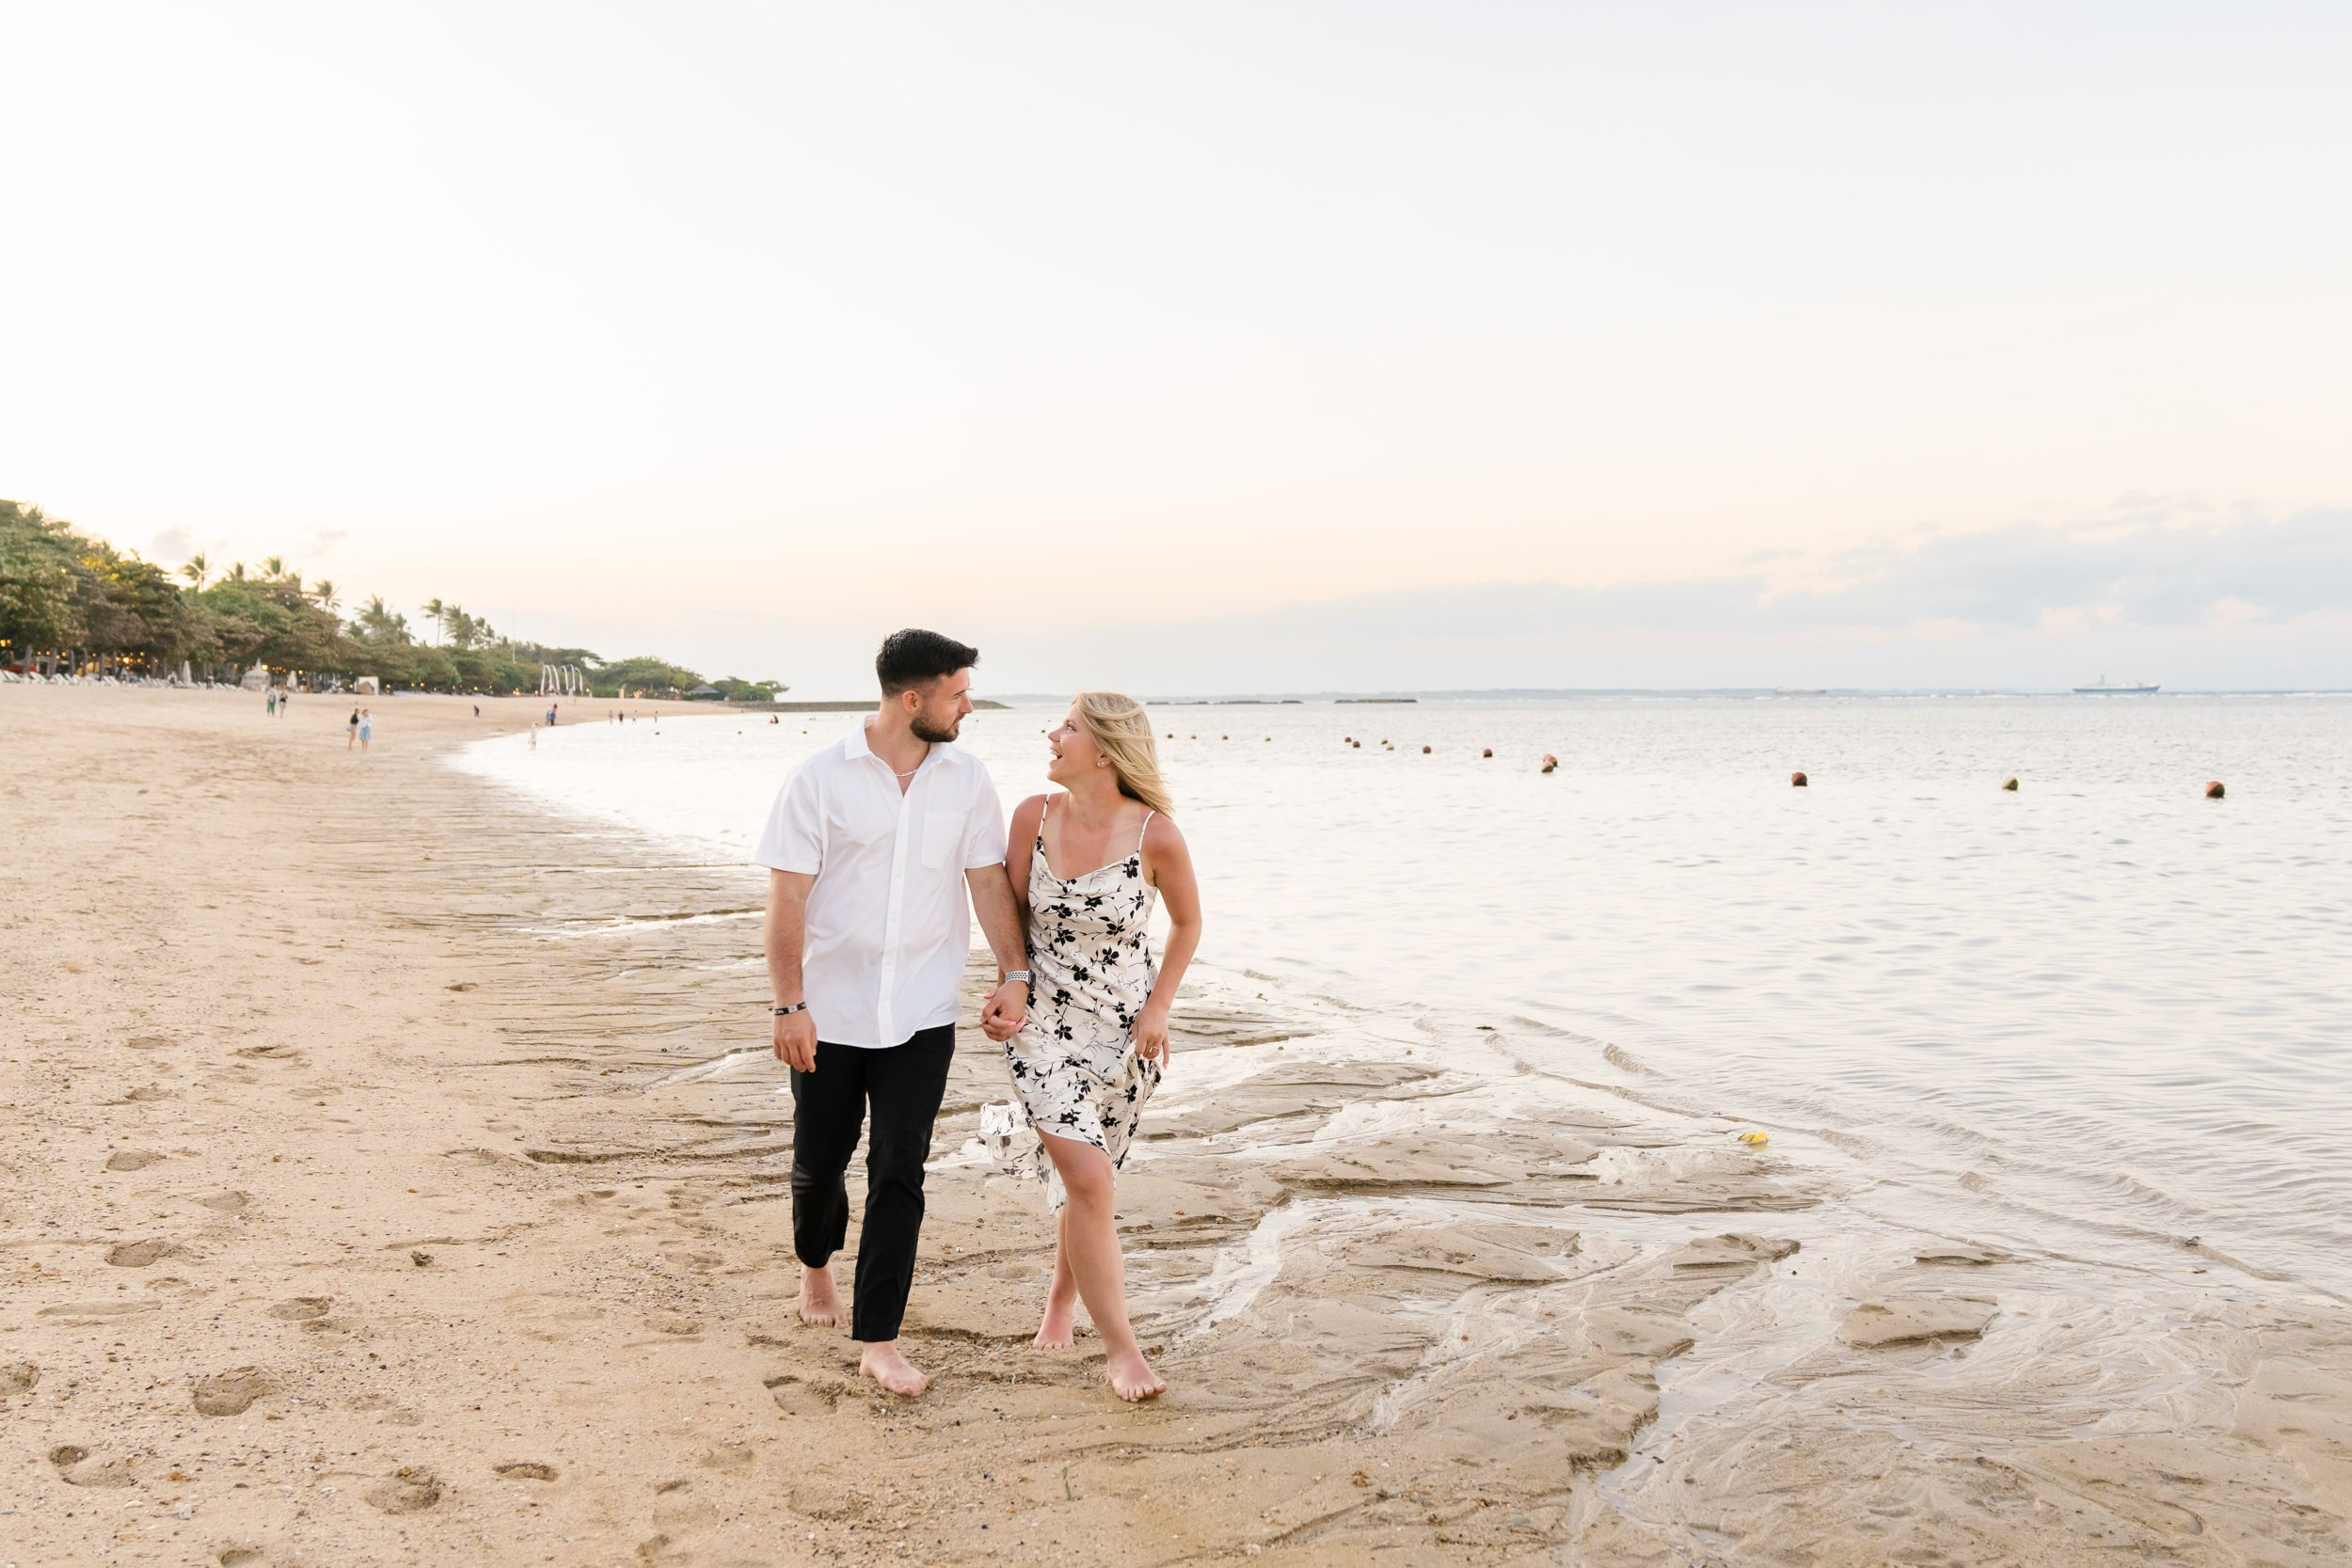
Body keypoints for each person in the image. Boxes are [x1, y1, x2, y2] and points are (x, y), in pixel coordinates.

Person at [757, 629, 1030, 1398]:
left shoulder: (968, 779)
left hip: (922, 1010)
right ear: (914, 699)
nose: (968, 705)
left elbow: (985, 882)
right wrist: (789, 1004)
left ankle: (878, 1337)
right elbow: (787, 899)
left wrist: (1014, 971)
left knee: (899, 1169)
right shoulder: (817, 779)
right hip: (830, 1012)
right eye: (958, 693)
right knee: (819, 1163)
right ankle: (816, 1266)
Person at [984, 691, 1201, 1402]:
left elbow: (1188, 925)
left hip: (1125, 1036)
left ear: (1104, 749)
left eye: (1067, 726)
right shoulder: (1031, 816)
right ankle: (1124, 1353)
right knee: (1091, 1181)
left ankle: (1059, 1301)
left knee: (1089, 1186)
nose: (1052, 734)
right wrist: (1011, 981)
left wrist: (1160, 1006)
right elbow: (1008, 912)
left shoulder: (1156, 835)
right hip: (1043, 1028)